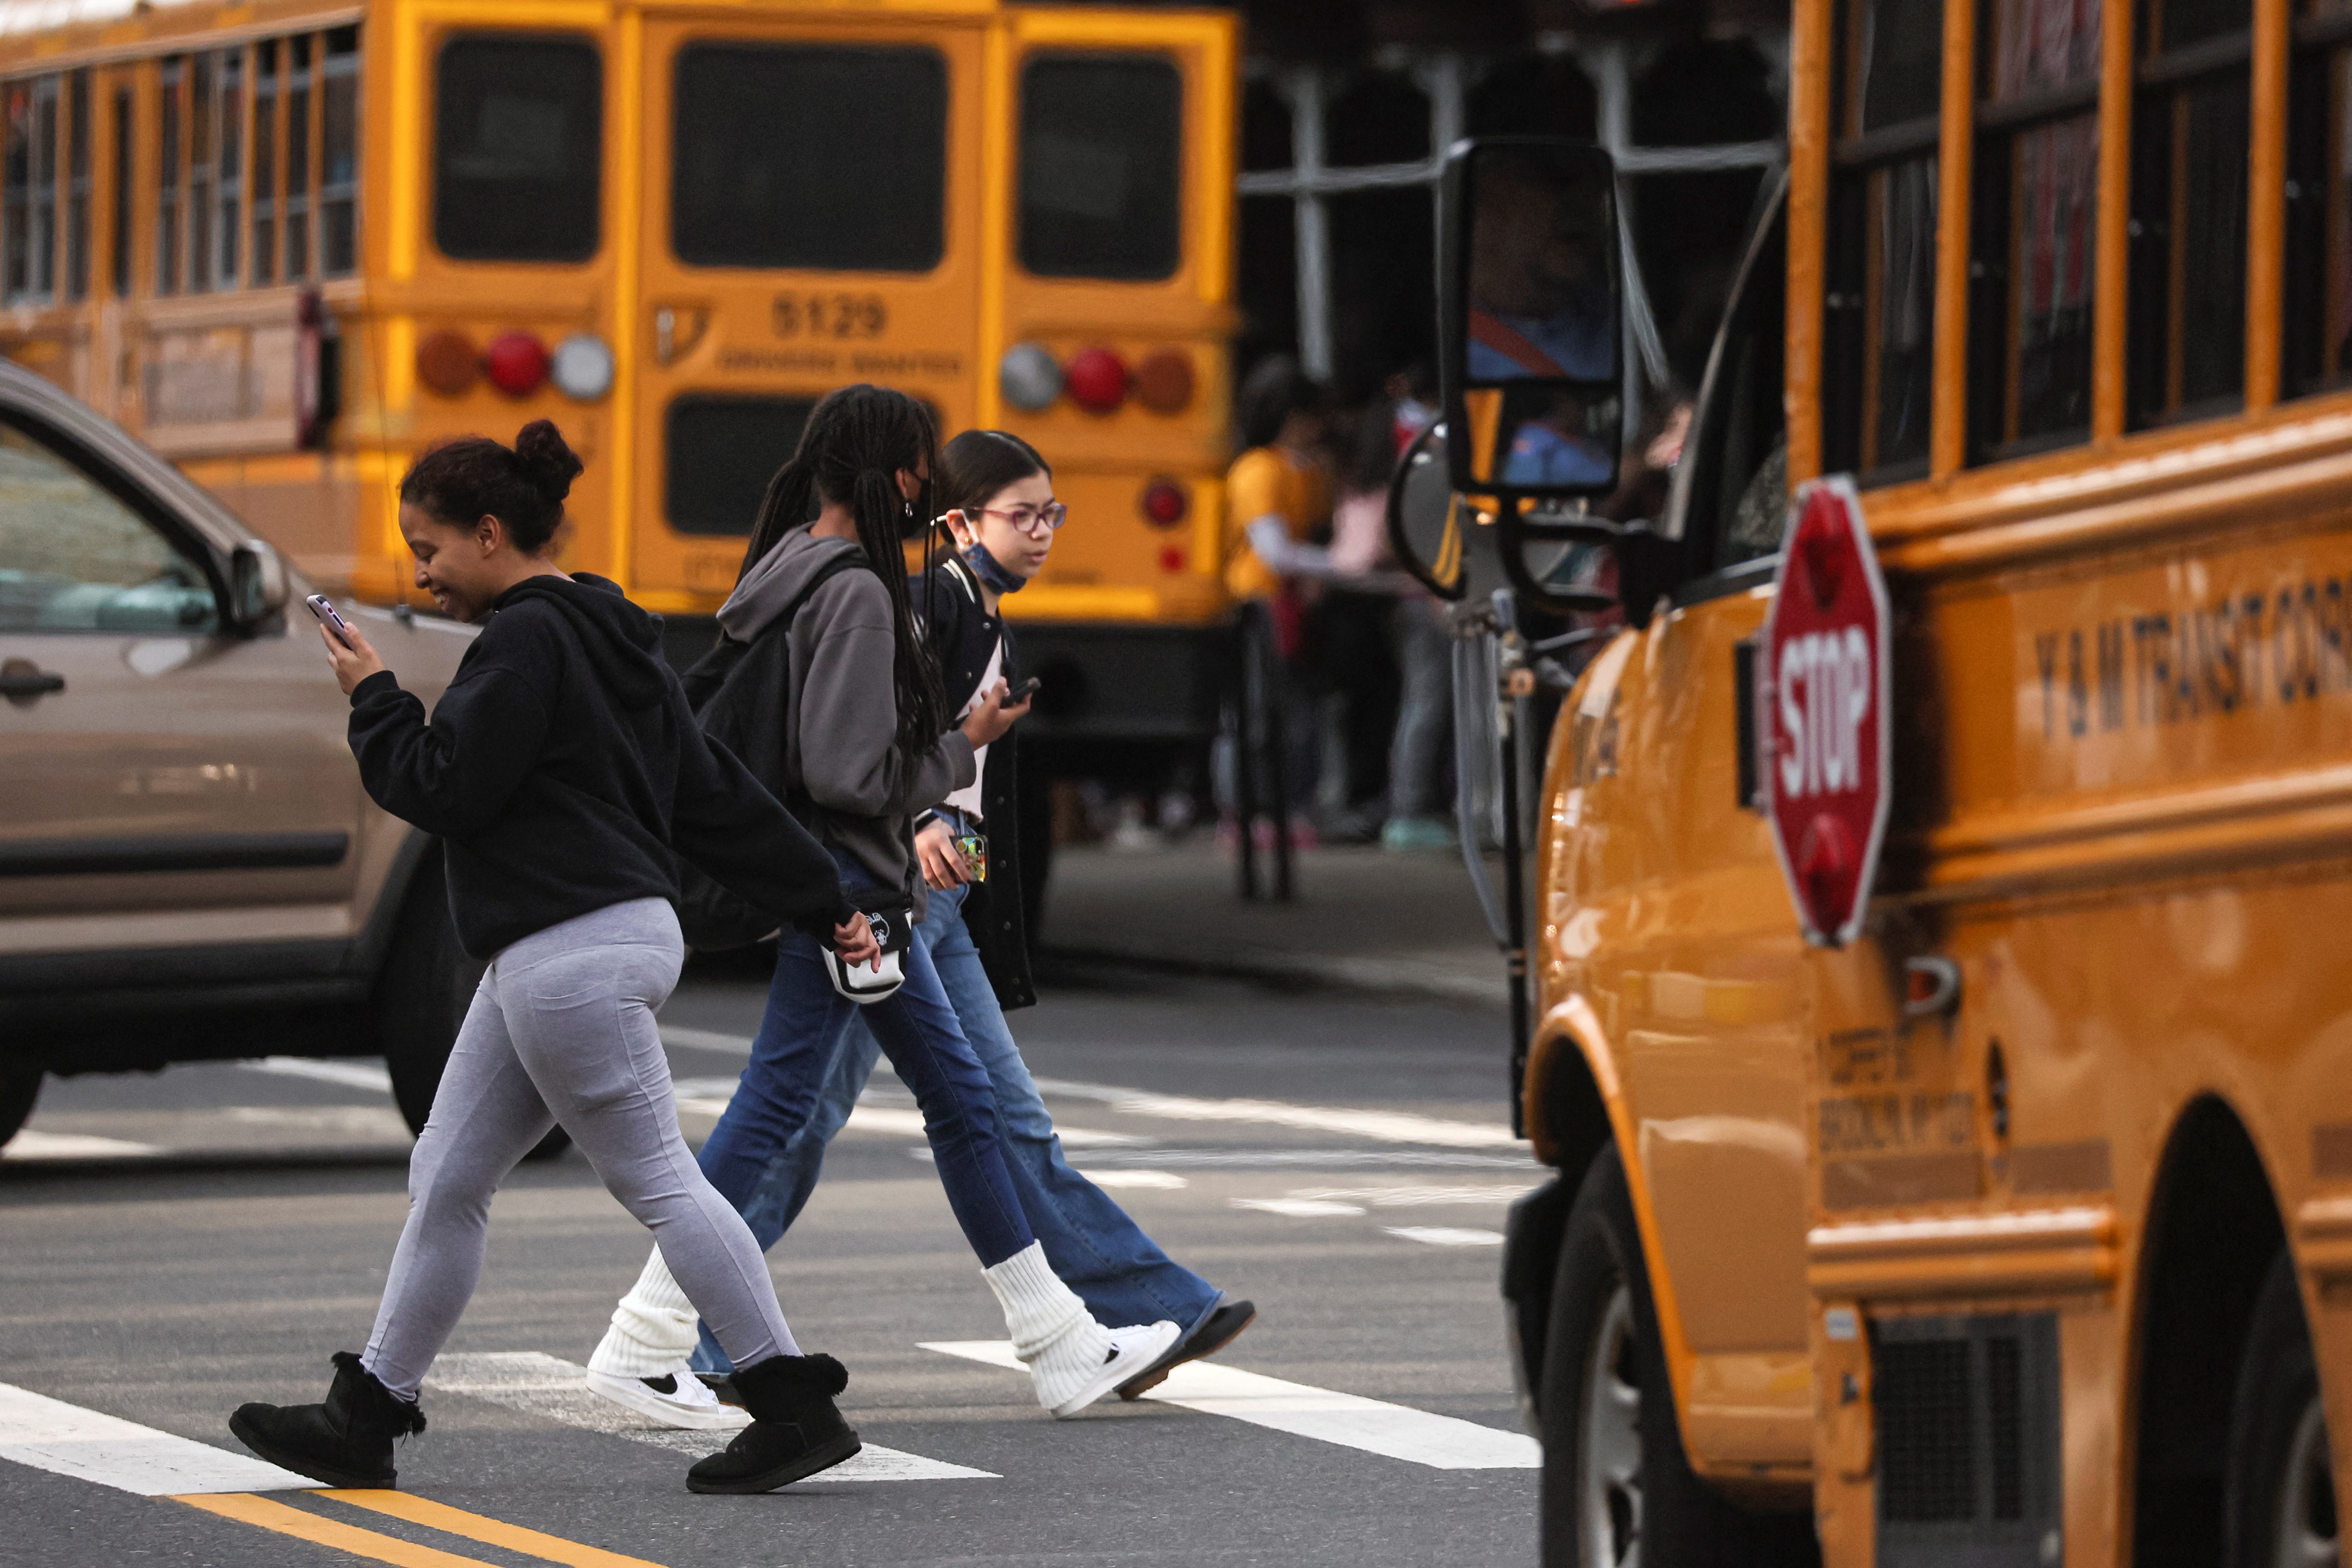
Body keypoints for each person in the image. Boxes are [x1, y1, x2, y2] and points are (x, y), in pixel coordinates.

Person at [225, 421, 879, 1496]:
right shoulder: (614, 634)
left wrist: (375, 697)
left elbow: (445, 785)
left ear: (490, 534)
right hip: (587, 938)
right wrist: (821, 897)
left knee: (661, 1180)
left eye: (427, 548)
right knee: (448, 1171)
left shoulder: (523, 642)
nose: (418, 573)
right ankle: (367, 1411)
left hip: (567, 947)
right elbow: (710, 792)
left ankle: (793, 1403)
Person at [587, 429, 1253, 1422]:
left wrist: (957, 854)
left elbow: (966, 805)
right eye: (1020, 514)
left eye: (1050, 513)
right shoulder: (929, 604)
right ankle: (674, 1333)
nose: (1041, 533)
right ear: (954, 521)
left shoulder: (982, 614)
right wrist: (932, 821)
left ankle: (1114, 1317)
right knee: (830, 1111)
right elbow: (875, 757)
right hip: (873, 891)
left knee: (960, 1110)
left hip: (916, 899)